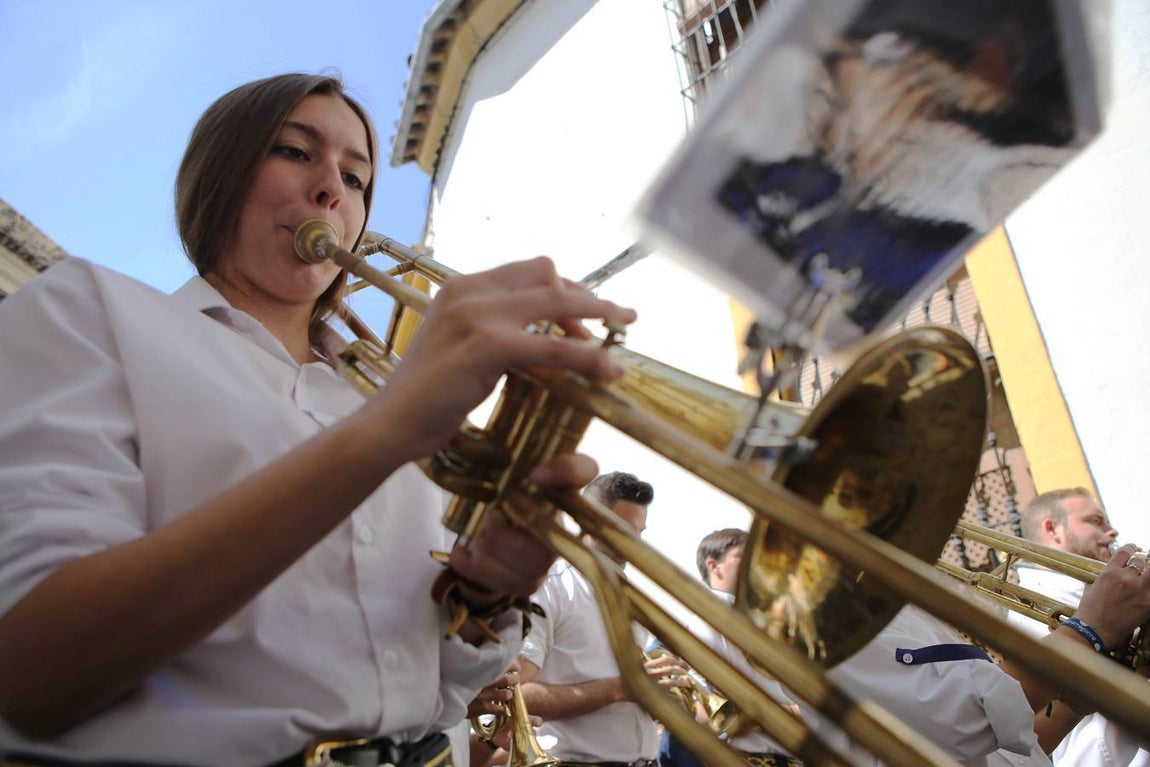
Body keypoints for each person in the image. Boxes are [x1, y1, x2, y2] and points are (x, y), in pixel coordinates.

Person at [0, 73, 637, 767]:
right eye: (295, 152)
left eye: (358, 179)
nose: (334, 190)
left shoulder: (384, 392)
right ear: (219, 174)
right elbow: (31, 675)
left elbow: (443, 689)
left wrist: (485, 589)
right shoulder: (92, 312)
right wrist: (383, 432)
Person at [517, 472, 683, 767]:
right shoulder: (550, 587)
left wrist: (662, 694)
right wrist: (621, 688)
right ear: (587, 521)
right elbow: (517, 694)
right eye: (624, 531)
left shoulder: (631, 595)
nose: (635, 544)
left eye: (639, 532)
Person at [1010, 488, 1149, 766]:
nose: (1111, 532)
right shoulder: (1033, 613)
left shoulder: (1094, 592)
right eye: (1095, 521)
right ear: (1053, 529)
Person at [690, 528, 801, 767]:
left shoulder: (764, 614)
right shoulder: (715, 611)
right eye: (743, 556)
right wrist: (793, 713)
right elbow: (711, 710)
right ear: (714, 566)